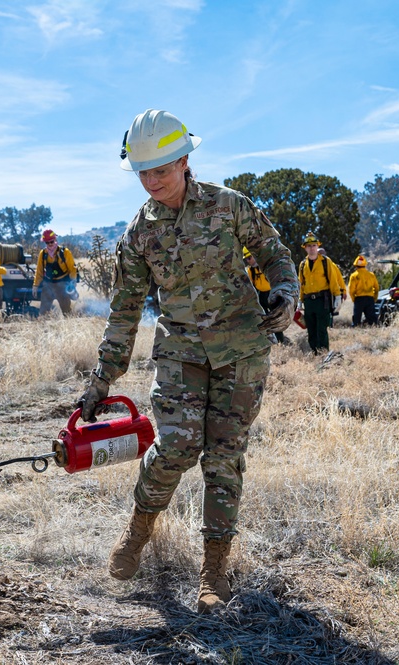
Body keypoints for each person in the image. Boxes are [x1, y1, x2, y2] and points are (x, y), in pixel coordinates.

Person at [77, 109, 298, 614]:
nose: (151, 181)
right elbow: (125, 312)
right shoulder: (137, 235)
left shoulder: (229, 205)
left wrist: (285, 293)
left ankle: (212, 572)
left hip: (241, 348)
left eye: (160, 169)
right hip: (180, 351)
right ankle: (136, 535)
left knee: (223, 459)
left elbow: (275, 254)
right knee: (175, 447)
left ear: (184, 160)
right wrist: (101, 379)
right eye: (142, 172)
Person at [298, 232, 344, 353]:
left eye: (314, 245)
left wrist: (338, 297)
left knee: (322, 329)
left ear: (317, 246)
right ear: (305, 248)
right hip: (308, 302)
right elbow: (301, 284)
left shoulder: (325, 261)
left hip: (322, 300)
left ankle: (323, 354)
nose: (312, 248)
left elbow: (333, 280)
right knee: (311, 330)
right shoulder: (302, 265)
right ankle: (314, 354)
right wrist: (300, 300)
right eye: (309, 246)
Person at [244, 247, 285, 344]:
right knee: (264, 319)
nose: (248, 260)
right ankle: (269, 340)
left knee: (276, 317)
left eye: (250, 257)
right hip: (261, 295)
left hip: (272, 293)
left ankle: (280, 340)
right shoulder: (250, 271)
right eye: (246, 259)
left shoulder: (265, 265)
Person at [32, 229, 78, 315]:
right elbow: (39, 271)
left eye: (51, 242)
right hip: (48, 284)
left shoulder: (64, 252)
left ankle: (69, 326)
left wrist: (73, 282)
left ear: (55, 240)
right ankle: (43, 326)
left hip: (63, 284)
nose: (49, 244)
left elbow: (72, 269)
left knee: (67, 312)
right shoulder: (43, 254)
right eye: (47, 242)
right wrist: (35, 285)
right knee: (43, 312)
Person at [348, 255, 379, 327]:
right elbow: (376, 288)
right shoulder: (371, 275)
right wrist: (374, 298)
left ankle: (356, 330)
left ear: (355, 265)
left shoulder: (354, 276)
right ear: (365, 264)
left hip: (359, 299)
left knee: (356, 319)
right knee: (372, 320)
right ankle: (374, 330)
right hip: (370, 299)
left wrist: (354, 299)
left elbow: (351, 290)